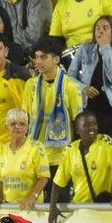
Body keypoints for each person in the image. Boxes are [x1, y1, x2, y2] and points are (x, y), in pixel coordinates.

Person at [48, 111, 112, 223]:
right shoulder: (70, 150)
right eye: (86, 125)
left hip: (105, 209)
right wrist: (52, 206)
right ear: (77, 130)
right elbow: (58, 181)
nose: (92, 128)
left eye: (94, 124)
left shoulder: (106, 142)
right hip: (80, 210)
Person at [23, 37, 82, 173]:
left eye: (43, 57)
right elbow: (25, 119)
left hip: (61, 157)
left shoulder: (71, 86)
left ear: (56, 59)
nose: (38, 61)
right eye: (36, 57)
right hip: (35, 155)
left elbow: (77, 121)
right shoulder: (30, 85)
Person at [66, 15, 112, 142]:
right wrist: (83, 88)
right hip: (88, 104)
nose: (100, 31)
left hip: (111, 105)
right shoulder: (85, 48)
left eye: (105, 28)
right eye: (98, 28)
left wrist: (105, 48)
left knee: (110, 145)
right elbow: (70, 75)